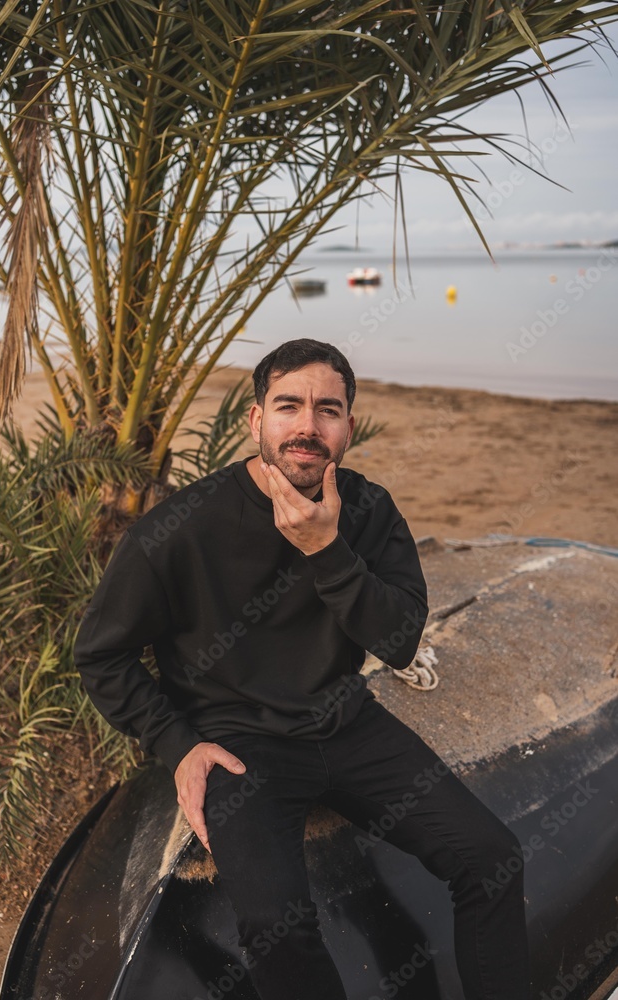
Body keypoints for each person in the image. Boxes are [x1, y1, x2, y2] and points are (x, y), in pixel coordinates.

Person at [74, 337, 530, 1000]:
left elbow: (400, 639)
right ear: (256, 420)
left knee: (491, 858)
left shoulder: (367, 511)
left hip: (347, 724)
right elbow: (100, 653)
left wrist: (327, 550)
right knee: (276, 926)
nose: (308, 426)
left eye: (328, 410)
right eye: (288, 406)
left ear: (347, 426)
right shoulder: (177, 530)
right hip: (239, 747)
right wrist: (177, 746)